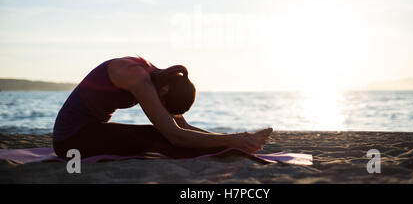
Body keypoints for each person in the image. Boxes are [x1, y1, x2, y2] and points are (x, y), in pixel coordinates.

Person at [52, 55, 272, 159]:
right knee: (160, 139)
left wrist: (234, 137)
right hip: (71, 140)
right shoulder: (137, 78)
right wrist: (231, 141)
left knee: (161, 137)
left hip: (92, 131)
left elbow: (181, 125)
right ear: (165, 93)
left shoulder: (161, 79)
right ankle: (232, 150)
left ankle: (235, 147)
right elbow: (175, 135)